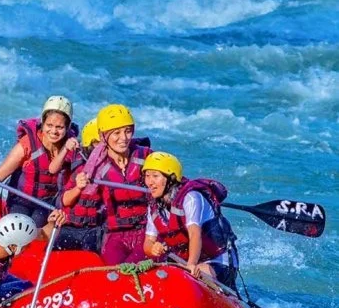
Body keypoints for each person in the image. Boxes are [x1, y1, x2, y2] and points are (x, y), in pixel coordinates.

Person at [0, 95, 79, 227]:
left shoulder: (72, 147)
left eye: (59, 127)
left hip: (48, 204)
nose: (53, 131)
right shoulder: (28, 144)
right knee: (20, 226)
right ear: (42, 123)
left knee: (36, 226)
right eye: (49, 125)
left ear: (68, 127)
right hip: (21, 200)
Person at [69, 104, 152, 265]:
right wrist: (79, 187)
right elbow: (68, 202)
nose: (124, 138)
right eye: (117, 133)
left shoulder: (146, 157)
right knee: (113, 271)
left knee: (134, 268)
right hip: (115, 235)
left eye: (128, 131)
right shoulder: (94, 167)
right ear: (103, 136)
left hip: (147, 232)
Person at [142, 152, 238, 288]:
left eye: (155, 176)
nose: (149, 182)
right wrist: (153, 248)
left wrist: (191, 264)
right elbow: (148, 243)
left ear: (171, 179)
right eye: (147, 176)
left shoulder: (191, 197)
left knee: (188, 279)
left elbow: (195, 234)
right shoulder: (154, 206)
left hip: (218, 262)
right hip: (187, 264)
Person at [55, 115, 104, 252]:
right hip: (70, 225)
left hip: (95, 229)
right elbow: (65, 200)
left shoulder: (113, 171)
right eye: (98, 145)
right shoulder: (78, 167)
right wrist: (78, 188)